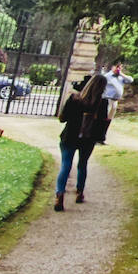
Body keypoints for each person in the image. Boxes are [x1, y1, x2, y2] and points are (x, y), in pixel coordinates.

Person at [55, 72, 108, 212]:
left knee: (65, 164)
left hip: (70, 136)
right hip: (88, 138)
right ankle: (79, 192)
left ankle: (60, 194)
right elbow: (102, 124)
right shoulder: (102, 103)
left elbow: (62, 118)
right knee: (82, 164)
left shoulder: (74, 99)